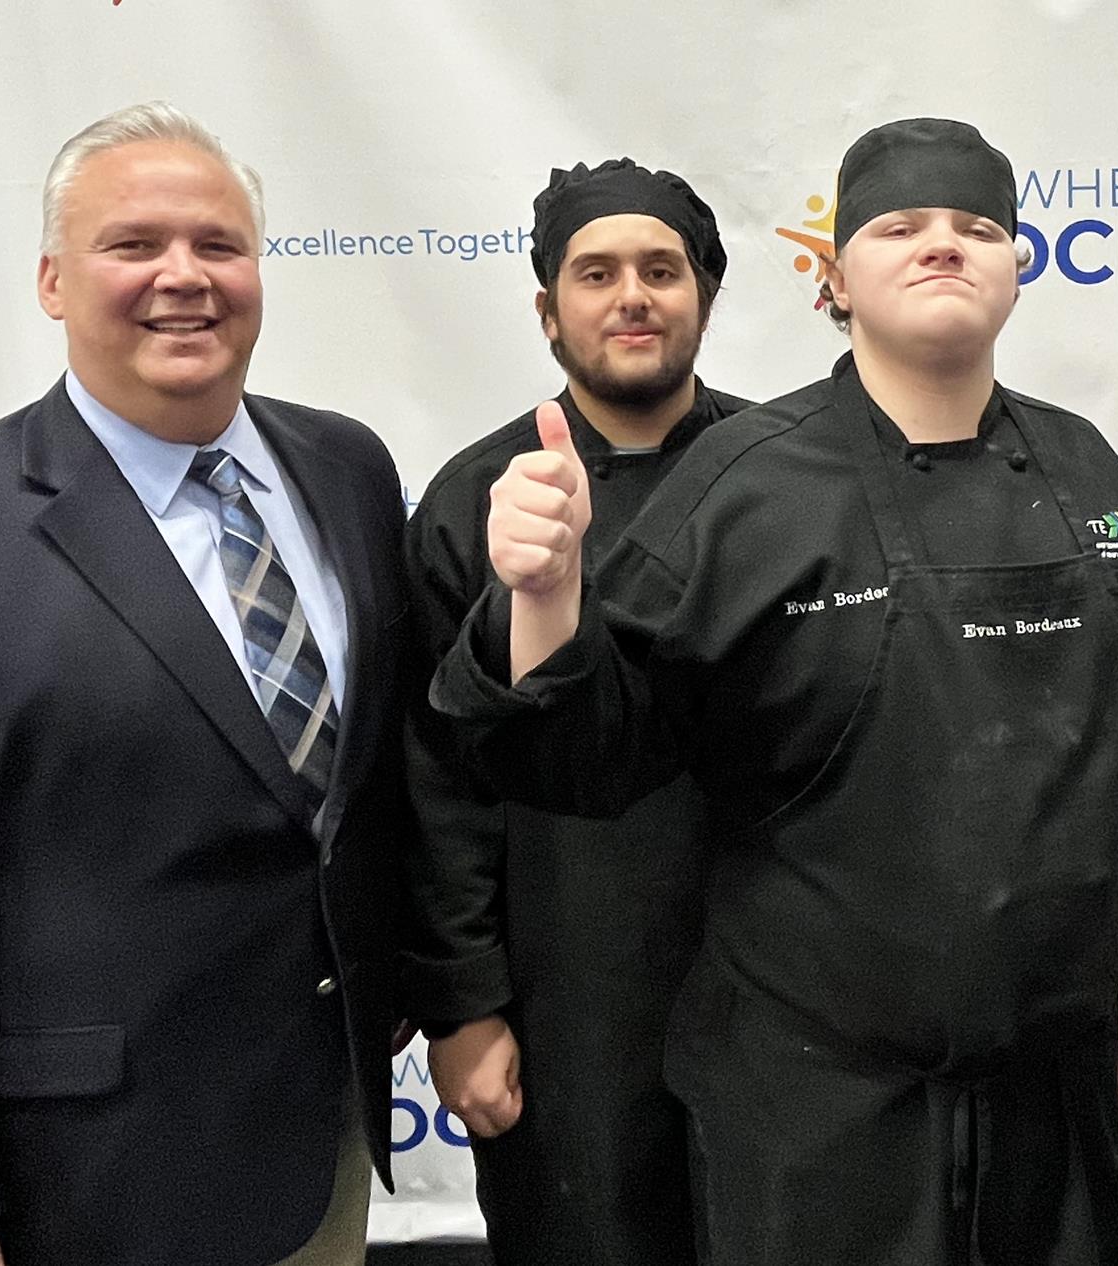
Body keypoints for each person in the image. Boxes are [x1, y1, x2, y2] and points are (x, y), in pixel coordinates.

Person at [432, 117, 1118, 1264]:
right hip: (812, 1098)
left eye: (978, 227)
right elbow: (584, 760)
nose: (943, 247)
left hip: (1050, 1080)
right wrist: (543, 595)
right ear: (834, 277)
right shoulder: (744, 486)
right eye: (901, 226)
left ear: (1018, 266)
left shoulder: (1090, 470)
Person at [0, 103, 413, 1266]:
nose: (184, 276)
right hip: (82, 1180)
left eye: (218, 245)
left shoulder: (347, 467)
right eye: (132, 245)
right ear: (48, 281)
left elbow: (363, 788)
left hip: (321, 1142)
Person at [400, 157, 751, 1264]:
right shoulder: (478, 497)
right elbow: (431, 774)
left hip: (779, 990)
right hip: (568, 1008)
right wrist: (463, 1007)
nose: (632, 296)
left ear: (705, 292)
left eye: (662, 268)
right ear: (550, 310)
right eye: (596, 274)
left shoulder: (786, 474)